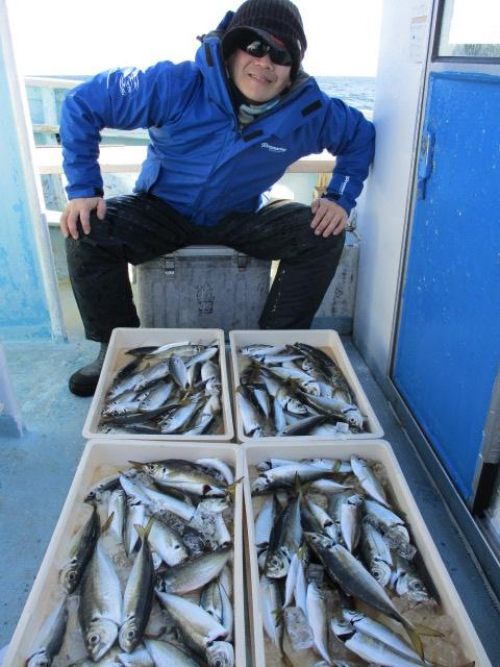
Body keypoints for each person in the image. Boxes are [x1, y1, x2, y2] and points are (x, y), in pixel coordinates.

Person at [59, 0, 375, 397]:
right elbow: (82, 103)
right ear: (230, 47)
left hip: (241, 214)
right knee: (84, 228)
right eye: (255, 46)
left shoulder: (308, 111)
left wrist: (339, 197)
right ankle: (118, 349)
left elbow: (360, 136)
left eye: (281, 54)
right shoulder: (178, 84)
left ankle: (270, 349)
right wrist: (84, 188)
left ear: (293, 67)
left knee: (324, 234)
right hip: (162, 209)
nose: (265, 63)